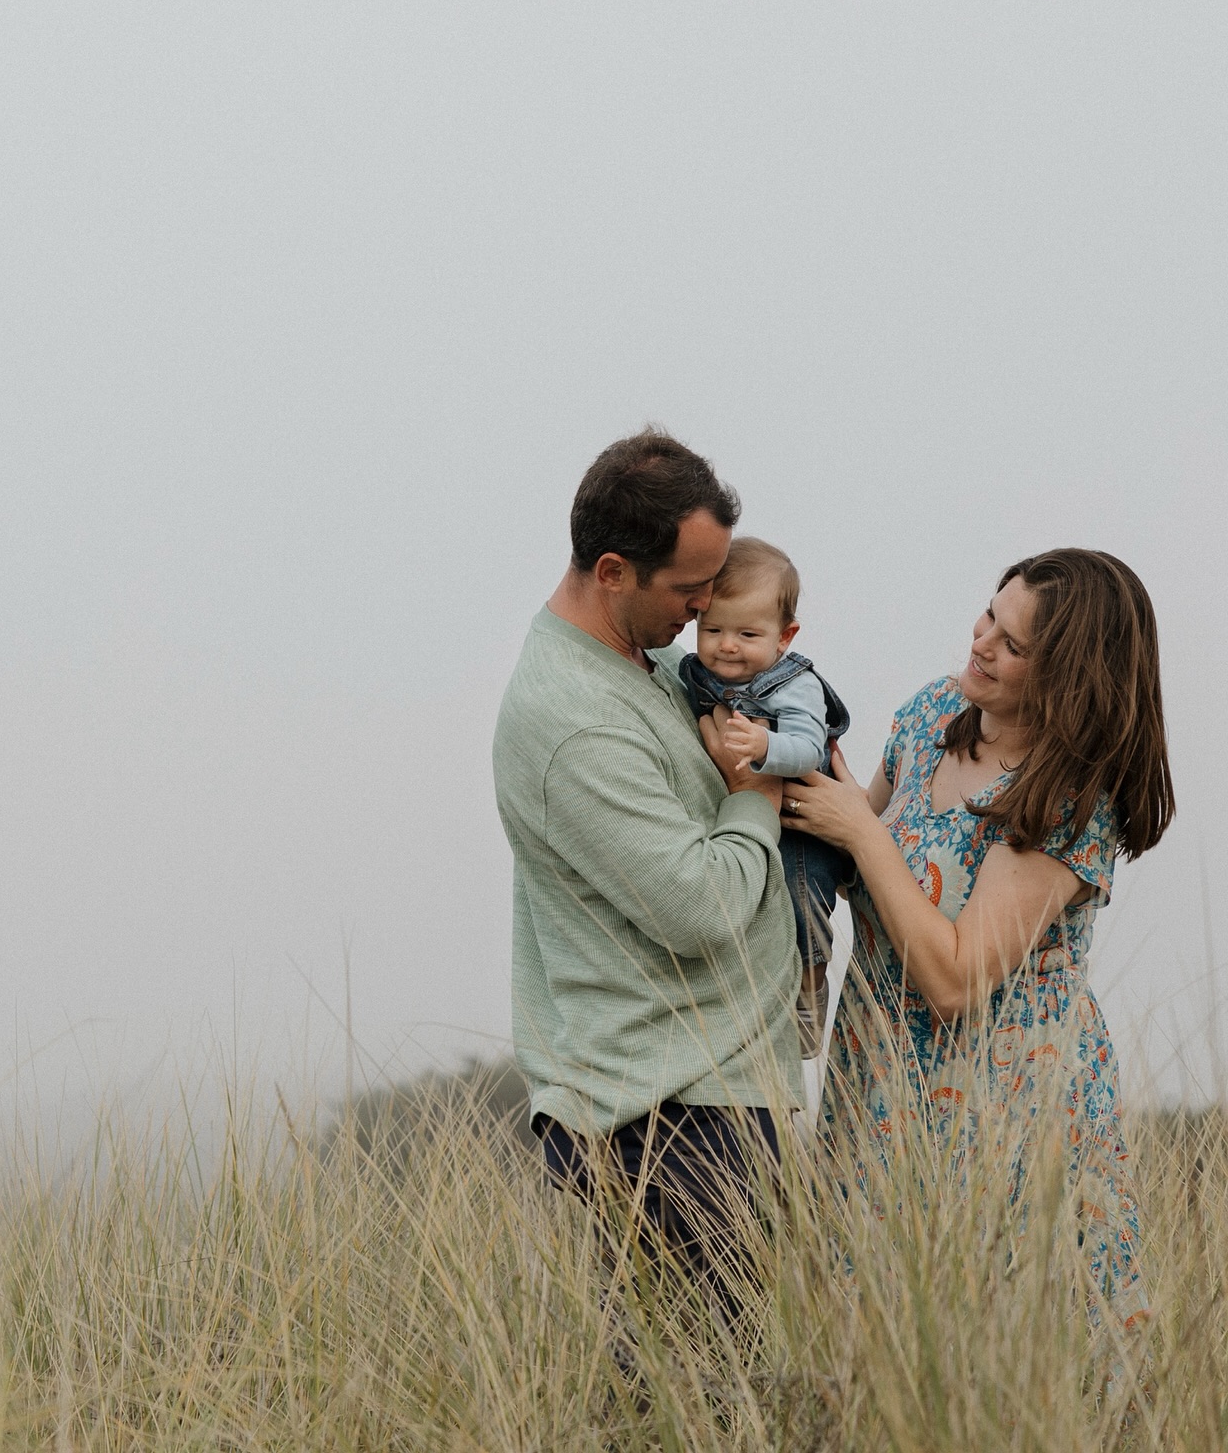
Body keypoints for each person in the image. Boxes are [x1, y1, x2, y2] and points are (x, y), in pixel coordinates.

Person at [783, 549, 1173, 1326]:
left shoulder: (1066, 800)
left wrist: (862, 833)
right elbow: (856, 845)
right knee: (871, 1353)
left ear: (1068, 678)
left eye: (1013, 645)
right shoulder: (931, 715)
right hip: (879, 1085)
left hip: (1007, 1110)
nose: (982, 641)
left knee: (999, 1350)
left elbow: (956, 979)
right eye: (990, 614)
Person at [492, 430, 802, 1316]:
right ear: (615, 571)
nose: (708, 606)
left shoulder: (658, 661)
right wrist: (757, 791)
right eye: (690, 588)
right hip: (666, 1115)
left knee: (722, 1393)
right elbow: (700, 907)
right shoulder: (574, 721)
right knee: (701, 1399)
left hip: (712, 1095)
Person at [672, 536, 852, 1056]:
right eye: (713, 630)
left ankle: (811, 995)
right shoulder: (696, 671)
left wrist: (765, 744)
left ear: (784, 637)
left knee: (801, 905)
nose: (727, 645)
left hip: (803, 824)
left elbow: (808, 746)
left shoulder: (793, 685)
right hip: (751, 816)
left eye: (747, 633)